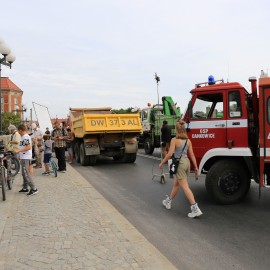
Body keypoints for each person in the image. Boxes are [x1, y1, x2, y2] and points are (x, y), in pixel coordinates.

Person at [159, 120, 202, 218]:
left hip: (179, 164)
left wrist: (162, 163)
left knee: (185, 186)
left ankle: (195, 208)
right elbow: (191, 154)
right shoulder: (188, 141)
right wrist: (195, 167)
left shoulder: (174, 140)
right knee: (176, 184)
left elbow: (170, 154)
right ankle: (168, 201)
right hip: (186, 163)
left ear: (177, 129)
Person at [13, 124, 38, 196]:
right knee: (24, 173)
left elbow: (28, 147)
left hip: (26, 157)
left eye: (18, 130)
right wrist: (20, 154)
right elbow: (24, 147)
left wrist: (18, 151)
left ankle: (34, 189)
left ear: (21, 130)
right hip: (24, 157)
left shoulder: (25, 137)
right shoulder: (24, 137)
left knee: (25, 173)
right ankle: (25, 188)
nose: (18, 131)